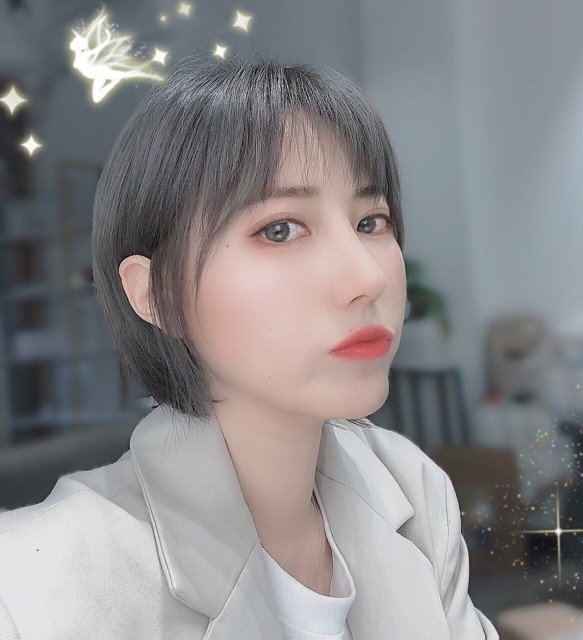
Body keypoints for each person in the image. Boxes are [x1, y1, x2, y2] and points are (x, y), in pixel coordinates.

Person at [0, 53, 499, 639]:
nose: (367, 277)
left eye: (371, 222)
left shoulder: (413, 488)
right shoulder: (37, 583)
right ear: (157, 295)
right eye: (279, 229)